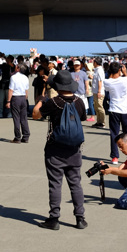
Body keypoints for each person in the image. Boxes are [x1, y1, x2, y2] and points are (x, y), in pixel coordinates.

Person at [31, 69, 87, 230]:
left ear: (57, 86)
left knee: (55, 184)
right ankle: (80, 217)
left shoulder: (53, 102)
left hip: (55, 149)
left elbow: (35, 114)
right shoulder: (79, 101)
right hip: (74, 149)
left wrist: (41, 100)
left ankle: (54, 218)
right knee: (76, 183)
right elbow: (82, 118)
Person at [103, 61, 127, 164]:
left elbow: (107, 89)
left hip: (114, 109)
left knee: (114, 134)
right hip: (126, 109)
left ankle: (115, 157)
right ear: (120, 69)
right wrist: (125, 73)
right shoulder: (125, 80)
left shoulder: (107, 81)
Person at [7, 64, 31, 143]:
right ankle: (26, 135)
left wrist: (8, 101)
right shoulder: (25, 78)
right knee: (23, 117)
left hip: (16, 97)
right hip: (23, 97)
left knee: (16, 117)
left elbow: (11, 90)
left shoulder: (13, 77)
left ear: (18, 68)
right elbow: (26, 90)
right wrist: (25, 99)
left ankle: (17, 137)